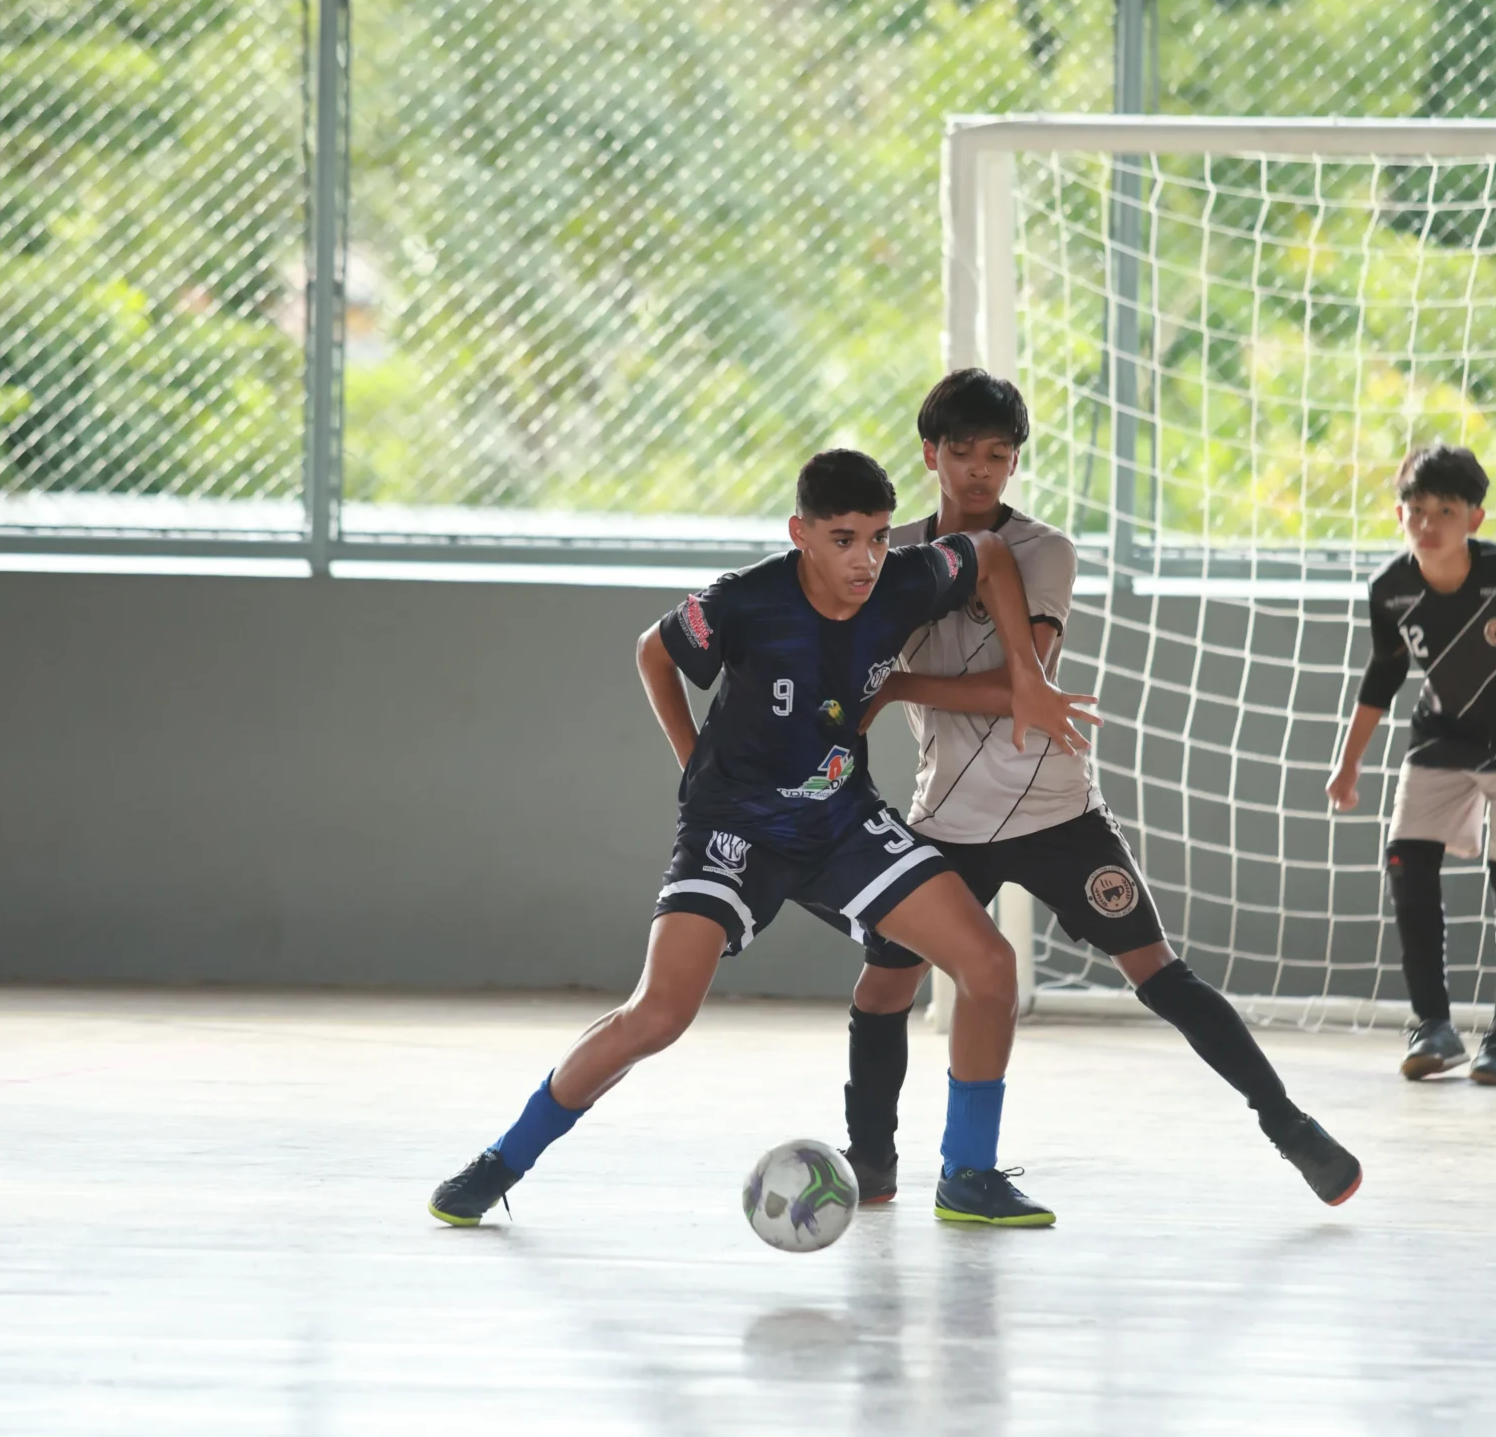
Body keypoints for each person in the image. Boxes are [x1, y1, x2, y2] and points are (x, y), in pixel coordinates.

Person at [429, 445, 1092, 1231]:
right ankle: (503, 1160)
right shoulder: (747, 601)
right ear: (800, 533)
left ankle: (968, 1177)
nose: (866, 558)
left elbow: (985, 553)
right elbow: (653, 651)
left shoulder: (906, 578)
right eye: (843, 538)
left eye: (879, 536)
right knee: (661, 1013)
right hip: (733, 827)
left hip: (839, 819)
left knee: (988, 965)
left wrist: (1026, 675)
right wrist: (692, 767)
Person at [842, 369, 1364, 1209]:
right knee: (884, 985)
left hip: (1054, 809)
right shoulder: (888, 550)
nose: (980, 470)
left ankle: (1288, 1125)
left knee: (1157, 971)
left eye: (999, 456)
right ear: (930, 453)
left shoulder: (1042, 550)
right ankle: (872, 1160)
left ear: (1015, 463)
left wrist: (899, 688)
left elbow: (1030, 688)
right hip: (941, 818)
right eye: (964, 454)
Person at [1327, 442, 1496, 1084]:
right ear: (1399, 515)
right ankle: (1433, 1026)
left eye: (1445, 509)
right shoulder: (1389, 590)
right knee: (1405, 859)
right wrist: (1349, 762)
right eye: (1416, 509)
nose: (1428, 522)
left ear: (1473, 518)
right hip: (1440, 739)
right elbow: (1384, 673)